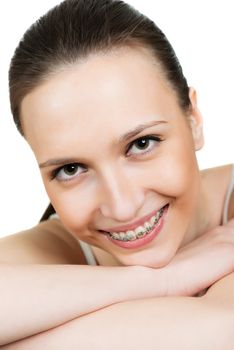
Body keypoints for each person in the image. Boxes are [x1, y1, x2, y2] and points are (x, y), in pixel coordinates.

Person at [1, 0, 234, 348]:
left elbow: (221, 330)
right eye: (71, 169)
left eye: (142, 144)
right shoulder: (59, 246)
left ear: (193, 121)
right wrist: (163, 280)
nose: (122, 207)